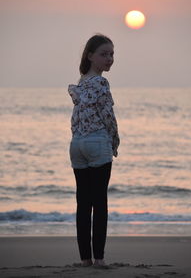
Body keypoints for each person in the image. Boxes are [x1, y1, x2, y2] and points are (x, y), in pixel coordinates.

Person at [68, 34, 120, 267]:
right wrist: (115, 141)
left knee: (83, 203)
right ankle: (99, 259)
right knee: (99, 203)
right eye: (104, 54)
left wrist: (78, 140)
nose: (109, 58)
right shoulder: (100, 83)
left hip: (77, 145)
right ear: (90, 56)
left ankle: (84, 258)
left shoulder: (81, 83)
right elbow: (108, 116)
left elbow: (77, 117)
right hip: (97, 143)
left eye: (112, 54)